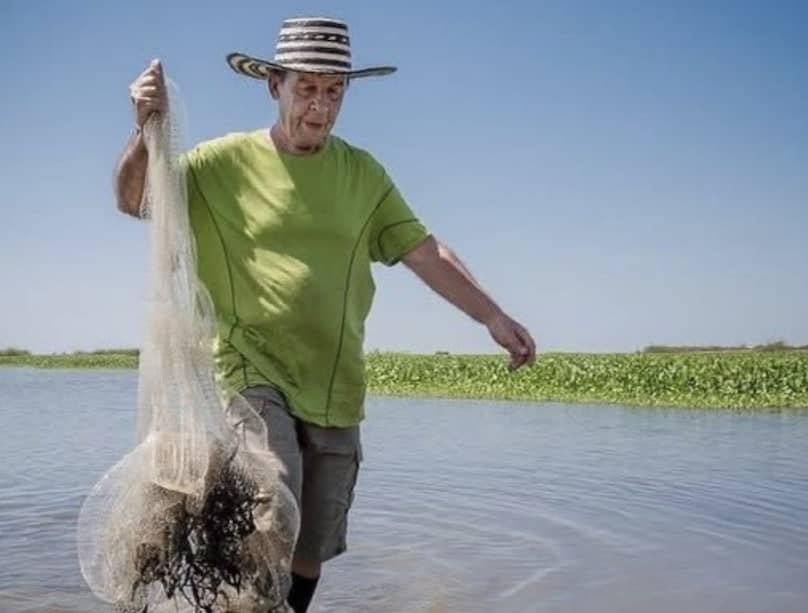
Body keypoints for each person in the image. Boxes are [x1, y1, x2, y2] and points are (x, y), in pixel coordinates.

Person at [115, 16, 536, 613]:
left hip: (336, 386)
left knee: (312, 540)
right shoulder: (220, 165)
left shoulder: (362, 174)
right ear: (274, 86)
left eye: (333, 90)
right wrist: (143, 131)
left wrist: (492, 316)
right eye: (307, 88)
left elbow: (425, 251)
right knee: (272, 501)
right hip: (249, 371)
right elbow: (136, 200)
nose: (320, 106)